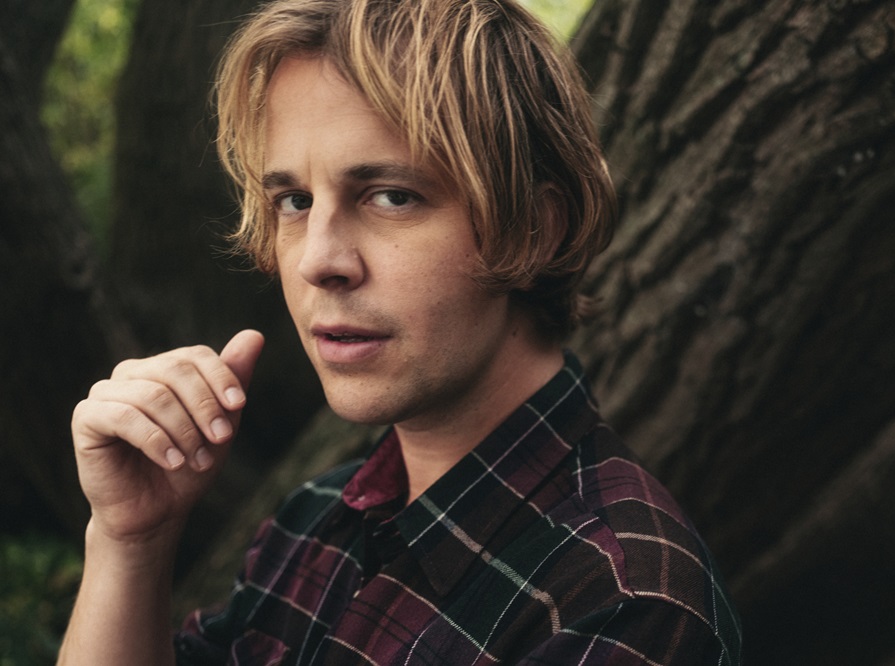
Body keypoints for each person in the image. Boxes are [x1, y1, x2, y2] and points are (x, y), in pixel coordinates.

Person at [57, 0, 742, 663]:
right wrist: (130, 542)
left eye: (390, 196)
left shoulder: (622, 605)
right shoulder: (313, 520)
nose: (319, 260)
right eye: (294, 201)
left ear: (536, 230)